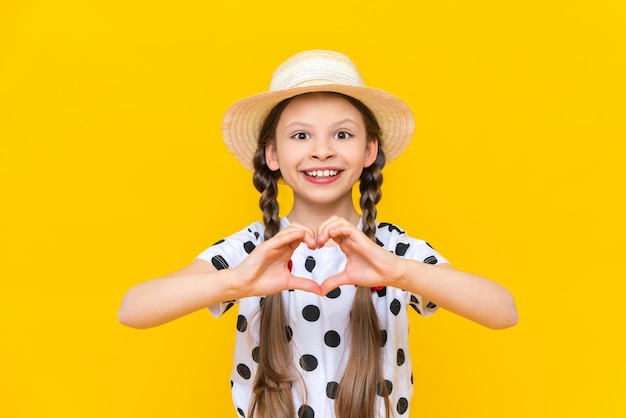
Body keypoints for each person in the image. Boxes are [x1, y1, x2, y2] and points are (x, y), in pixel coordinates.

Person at [118, 50, 518, 418]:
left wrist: (400, 274)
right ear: (272, 154)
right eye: (300, 135)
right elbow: (134, 309)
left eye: (342, 134)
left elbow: (503, 311)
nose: (322, 151)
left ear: (369, 151)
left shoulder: (391, 251)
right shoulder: (252, 250)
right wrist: (234, 282)